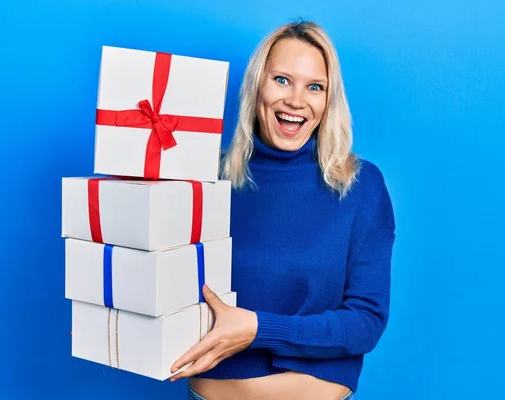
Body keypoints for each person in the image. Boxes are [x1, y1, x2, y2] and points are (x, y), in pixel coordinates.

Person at [169, 20, 396, 400]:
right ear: (257, 85)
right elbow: (166, 281)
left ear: (328, 101)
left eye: (314, 87)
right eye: (282, 80)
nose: (296, 100)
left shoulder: (360, 186)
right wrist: (121, 316)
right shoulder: (207, 179)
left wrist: (259, 329)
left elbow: (365, 323)